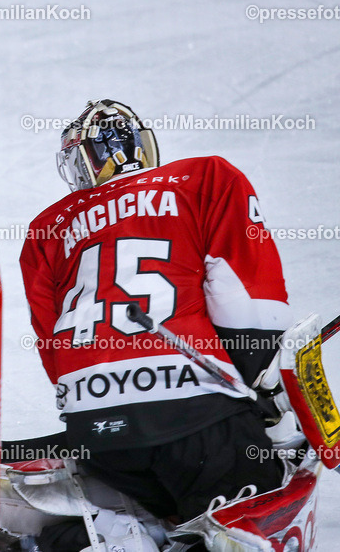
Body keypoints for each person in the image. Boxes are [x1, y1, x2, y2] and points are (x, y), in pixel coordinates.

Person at [16, 100, 290, 551]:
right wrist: (261, 389)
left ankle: (106, 532)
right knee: (252, 509)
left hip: (98, 432)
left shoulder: (47, 228)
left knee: (162, 511)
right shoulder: (205, 178)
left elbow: (54, 348)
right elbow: (248, 303)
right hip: (196, 415)